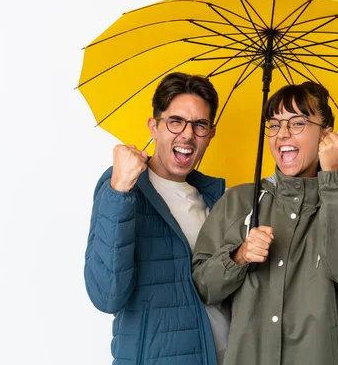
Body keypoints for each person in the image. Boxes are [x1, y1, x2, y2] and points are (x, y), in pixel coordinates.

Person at [192, 81, 338, 365]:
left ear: (326, 134)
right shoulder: (239, 202)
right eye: (274, 125)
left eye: (298, 123)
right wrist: (238, 257)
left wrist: (336, 175)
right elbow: (203, 287)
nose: (283, 134)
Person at [84, 72, 230, 365]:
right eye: (175, 121)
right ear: (154, 126)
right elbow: (107, 295)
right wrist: (120, 191)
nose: (187, 134)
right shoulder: (122, 187)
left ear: (211, 134)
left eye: (200, 125)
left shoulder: (217, 199)